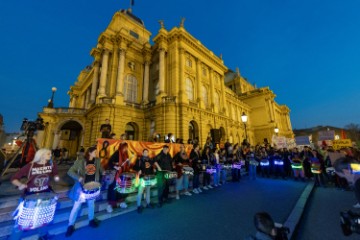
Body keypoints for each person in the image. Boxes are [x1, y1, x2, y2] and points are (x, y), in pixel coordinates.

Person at [10, 148, 60, 240]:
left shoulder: (51, 165)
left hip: (45, 195)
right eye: (48, 154)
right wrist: (20, 184)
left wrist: (56, 176)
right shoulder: (30, 166)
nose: (50, 155)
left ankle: (43, 235)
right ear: (42, 155)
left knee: (42, 217)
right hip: (30, 196)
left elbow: (55, 174)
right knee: (22, 221)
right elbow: (14, 178)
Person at [65, 146, 104, 237]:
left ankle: (91, 220)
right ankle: (70, 225)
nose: (96, 153)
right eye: (94, 152)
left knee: (91, 205)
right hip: (82, 188)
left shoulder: (97, 161)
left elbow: (101, 170)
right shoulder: (80, 161)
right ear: (89, 153)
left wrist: (104, 172)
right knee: (76, 207)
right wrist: (78, 177)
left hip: (93, 187)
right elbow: (70, 171)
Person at [106, 142, 130, 212]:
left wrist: (128, 162)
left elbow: (126, 164)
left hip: (122, 174)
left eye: (126, 147)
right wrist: (116, 166)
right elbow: (110, 162)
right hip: (115, 174)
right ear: (122, 147)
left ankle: (121, 202)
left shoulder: (126, 154)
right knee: (113, 188)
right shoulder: (117, 153)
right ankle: (110, 205)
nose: (126, 149)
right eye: (125, 147)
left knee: (122, 188)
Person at [132, 149, 155, 213]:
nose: (146, 153)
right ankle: (138, 206)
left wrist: (153, 171)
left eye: (147, 152)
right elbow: (134, 167)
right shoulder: (139, 160)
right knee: (140, 192)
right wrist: (139, 169)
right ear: (142, 153)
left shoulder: (150, 160)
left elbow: (151, 168)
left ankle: (148, 203)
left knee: (148, 191)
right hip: (142, 178)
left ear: (148, 153)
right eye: (144, 152)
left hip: (149, 178)